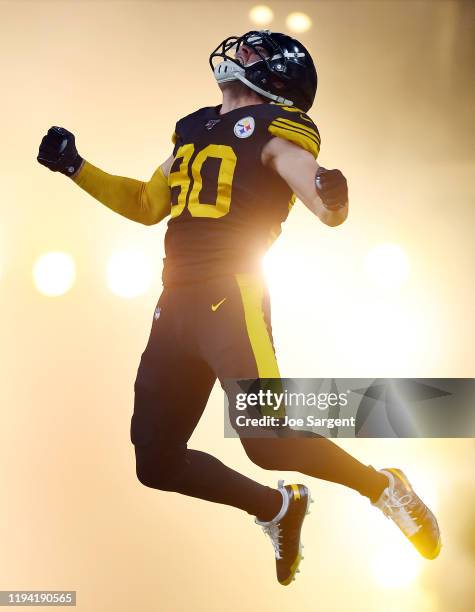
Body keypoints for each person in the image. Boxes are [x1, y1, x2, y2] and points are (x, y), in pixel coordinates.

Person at [37, 30, 441, 586]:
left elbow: (324, 206)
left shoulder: (276, 132)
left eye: (256, 53)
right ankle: (276, 509)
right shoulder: (195, 129)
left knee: (265, 438)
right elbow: (146, 204)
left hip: (231, 292)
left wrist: (333, 195)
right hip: (174, 302)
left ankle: (384, 487)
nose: (241, 54)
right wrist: (77, 167)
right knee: (155, 463)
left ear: (277, 79)